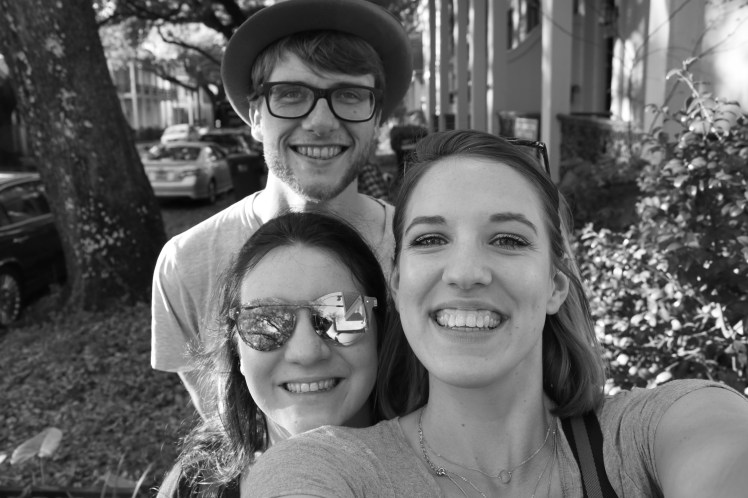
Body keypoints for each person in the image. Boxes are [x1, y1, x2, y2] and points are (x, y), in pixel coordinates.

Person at [243, 129, 748, 497]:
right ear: (397, 284)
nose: (465, 273)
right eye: (430, 239)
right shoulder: (326, 469)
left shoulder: (645, 436)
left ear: (554, 286)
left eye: (508, 239)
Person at [150, 0, 413, 418]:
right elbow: (225, 427)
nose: (321, 122)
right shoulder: (188, 265)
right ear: (255, 116)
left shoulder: (422, 252)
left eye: (349, 95)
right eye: (290, 94)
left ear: (376, 118)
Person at [158, 210, 389, 498]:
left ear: (381, 331)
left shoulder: (438, 480)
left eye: (341, 315)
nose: (306, 353)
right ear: (236, 350)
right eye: (266, 322)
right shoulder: (193, 485)